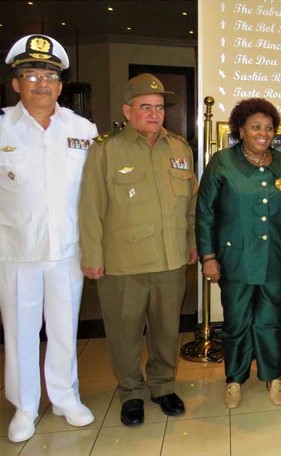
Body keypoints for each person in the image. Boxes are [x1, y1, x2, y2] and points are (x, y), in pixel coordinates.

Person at [78, 73, 198, 426]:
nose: (154, 113)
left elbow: (191, 203)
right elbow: (90, 206)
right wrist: (92, 256)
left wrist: (191, 243)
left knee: (166, 330)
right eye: (145, 106)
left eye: (159, 107)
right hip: (123, 263)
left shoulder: (180, 148)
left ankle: (162, 386)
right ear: (127, 111)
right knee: (124, 333)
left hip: (170, 260)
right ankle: (131, 391)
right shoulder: (106, 149)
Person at [0, 34, 97, 443]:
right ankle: (24, 405)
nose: (41, 83)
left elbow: (94, 194)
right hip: (16, 250)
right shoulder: (2, 126)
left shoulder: (83, 130)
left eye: (49, 77)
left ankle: (64, 397)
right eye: (31, 75)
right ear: (16, 83)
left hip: (67, 249)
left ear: (61, 85)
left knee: (62, 327)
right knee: (19, 331)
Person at [196, 98, 281, 409]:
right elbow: (205, 212)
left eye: (269, 128)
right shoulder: (222, 162)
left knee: (270, 321)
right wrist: (208, 256)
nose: (264, 133)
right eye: (256, 127)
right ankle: (234, 378)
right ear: (241, 130)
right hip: (235, 259)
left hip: (276, 257)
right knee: (236, 321)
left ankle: (273, 376)